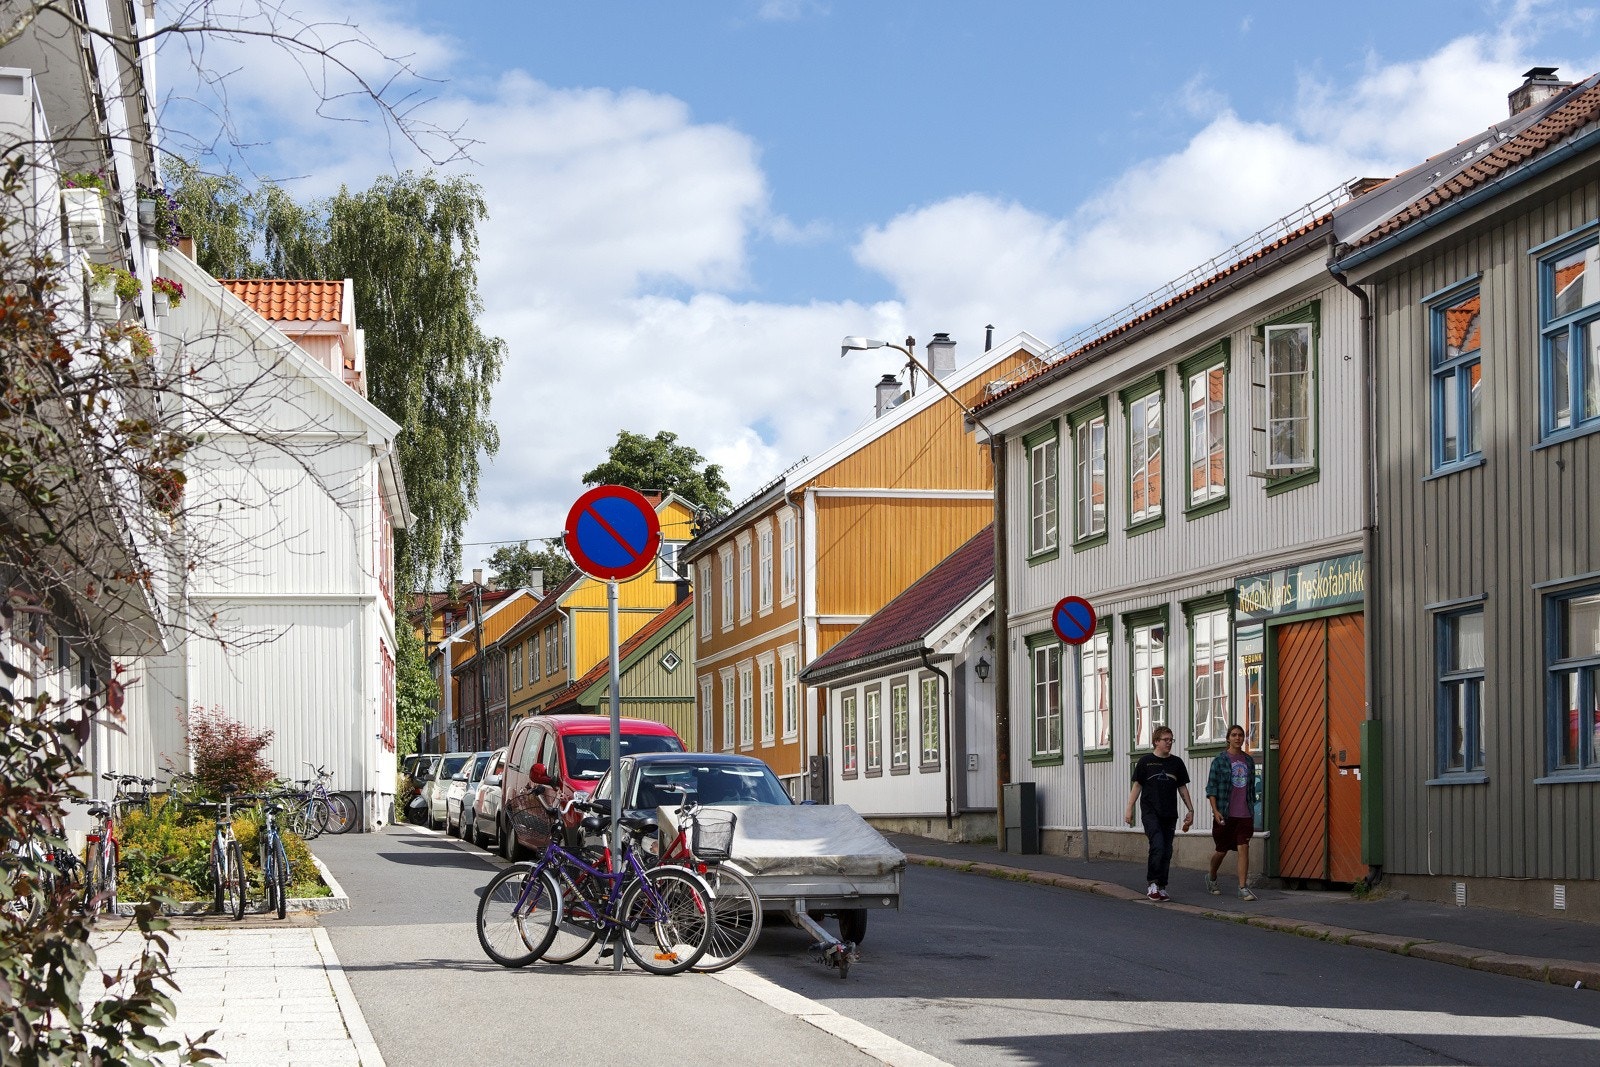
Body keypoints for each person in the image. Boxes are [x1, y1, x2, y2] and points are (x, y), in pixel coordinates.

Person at [1123, 725, 1194, 901]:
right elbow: (1137, 786)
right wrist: (1129, 808)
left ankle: (1162, 886)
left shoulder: (1176, 763)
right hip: (1150, 812)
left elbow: (1182, 788)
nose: (1169, 743)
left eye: (1171, 740)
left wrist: (1190, 810)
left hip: (1169, 813)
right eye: (1165, 740)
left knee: (1167, 850)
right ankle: (1152, 884)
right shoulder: (1145, 762)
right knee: (1158, 845)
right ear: (1156, 741)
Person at [1205, 723, 1259, 901]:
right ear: (1228, 738)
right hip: (1226, 813)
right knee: (1221, 850)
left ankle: (1242, 887)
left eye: (1240, 735)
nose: (1238, 738)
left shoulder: (1248, 761)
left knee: (1244, 847)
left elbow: (1251, 788)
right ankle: (1211, 876)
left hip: (1245, 813)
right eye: (1234, 735)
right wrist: (1215, 811)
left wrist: (1252, 808)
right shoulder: (1220, 760)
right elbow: (1211, 788)